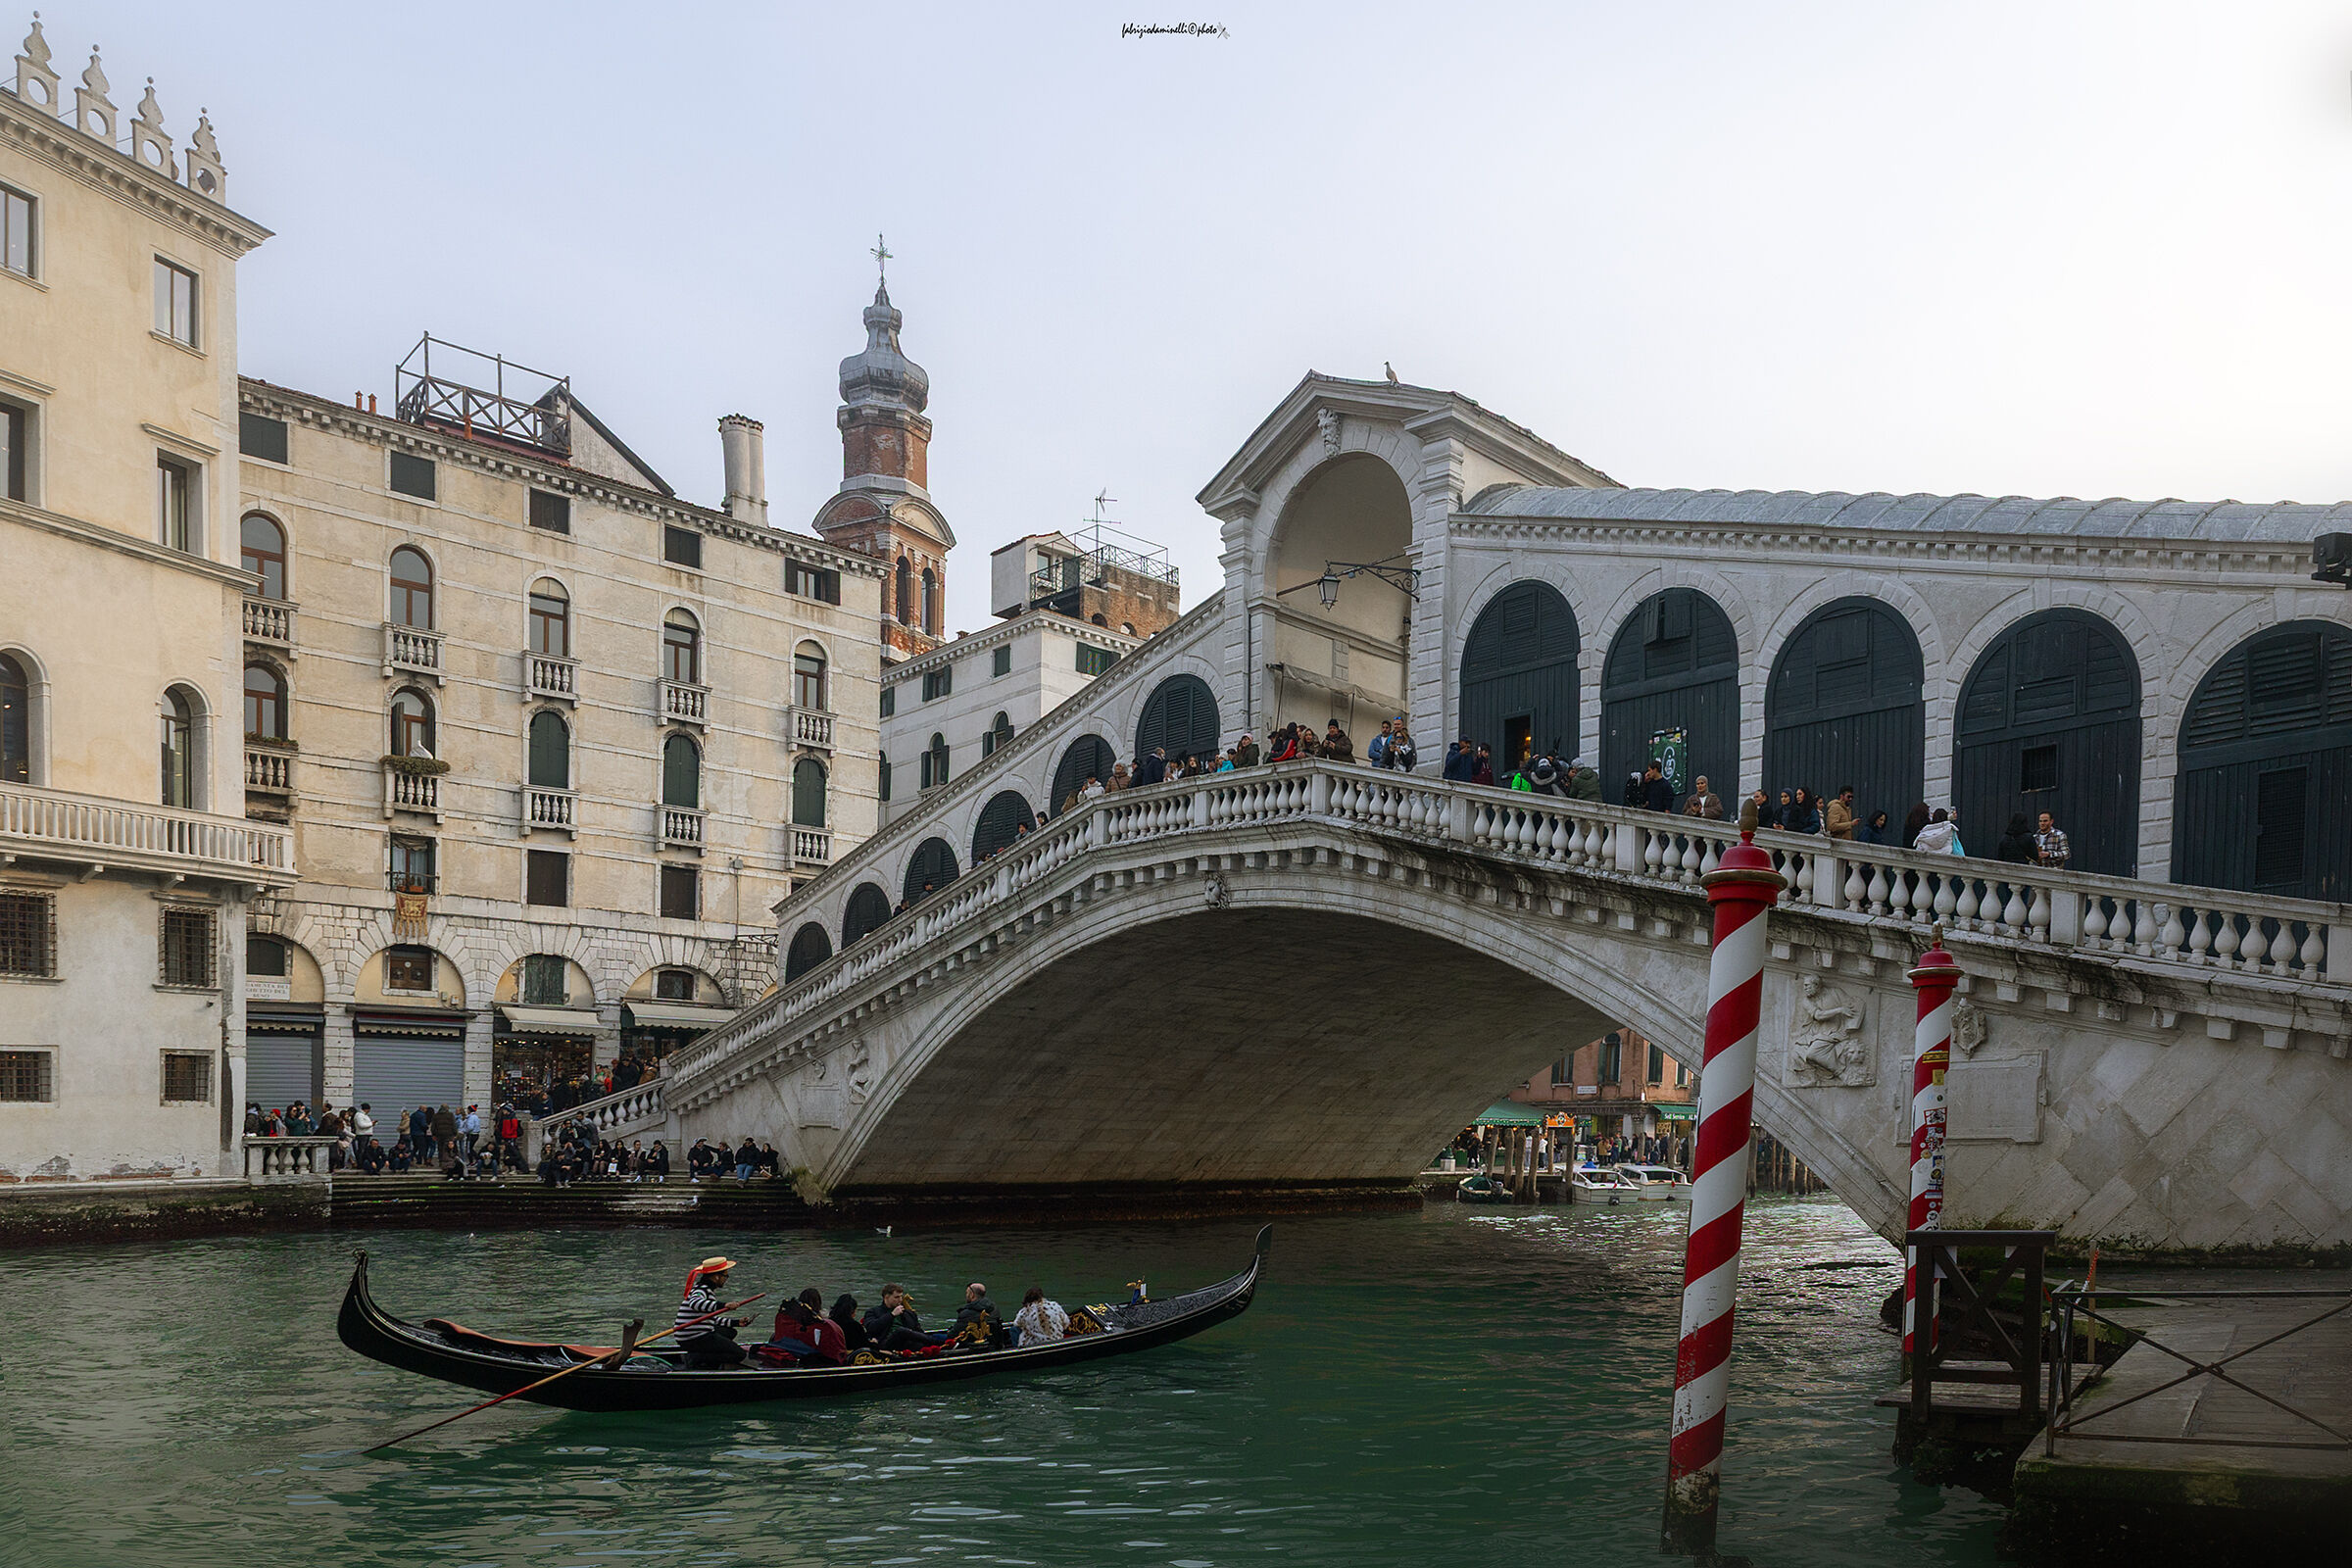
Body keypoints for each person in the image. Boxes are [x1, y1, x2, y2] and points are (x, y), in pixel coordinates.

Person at [676, 1256, 751, 1369]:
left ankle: (707, 1361)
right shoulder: (701, 1290)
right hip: (693, 1337)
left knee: (730, 1332)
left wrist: (736, 1322)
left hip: (693, 1334)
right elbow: (695, 1303)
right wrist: (724, 1305)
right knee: (739, 1354)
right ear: (716, 1276)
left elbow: (709, 1319)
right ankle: (696, 1358)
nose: (726, 1279)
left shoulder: (706, 1290)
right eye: (725, 1276)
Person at [863, 1283, 944, 1351]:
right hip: (886, 1344)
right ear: (886, 1297)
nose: (900, 1300)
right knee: (901, 1331)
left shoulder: (908, 1313)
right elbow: (871, 1328)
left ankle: (941, 1345)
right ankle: (938, 1342)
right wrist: (892, 1315)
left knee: (917, 1341)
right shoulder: (873, 1311)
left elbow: (919, 1332)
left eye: (901, 1297)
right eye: (896, 1297)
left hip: (907, 1344)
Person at [953, 1282, 1005, 1348]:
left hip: (969, 1345)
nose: (966, 1295)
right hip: (993, 1343)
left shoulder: (966, 1313)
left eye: (967, 1293)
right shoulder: (994, 1308)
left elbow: (953, 1335)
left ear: (972, 1295)